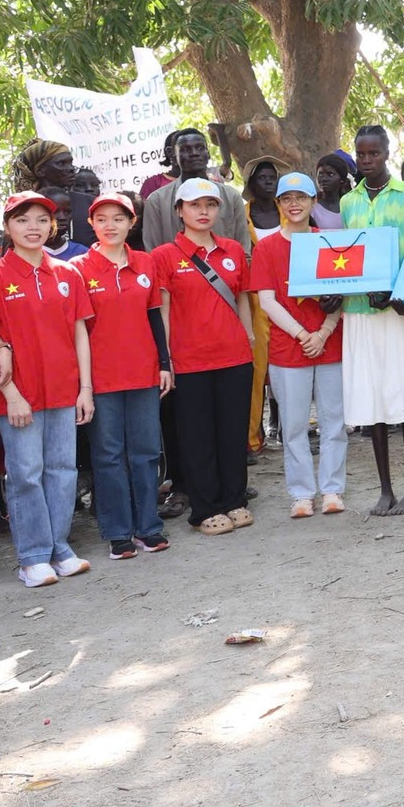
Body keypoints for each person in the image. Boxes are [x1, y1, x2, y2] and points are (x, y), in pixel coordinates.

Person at [0, 193, 94, 588]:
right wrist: (10, 393)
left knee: (63, 471)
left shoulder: (67, 274)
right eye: (23, 219)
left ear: (52, 226)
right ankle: (31, 557)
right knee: (25, 474)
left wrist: (86, 389)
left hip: (64, 390)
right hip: (18, 395)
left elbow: (80, 333)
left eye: (42, 220)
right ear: (7, 227)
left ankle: (59, 547)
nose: (33, 227)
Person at [338, 127, 404, 517]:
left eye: (373, 154)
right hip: (362, 312)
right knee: (374, 396)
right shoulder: (349, 201)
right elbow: (349, 256)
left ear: (387, 153)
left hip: (401, 311)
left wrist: (401, 292)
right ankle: (385, 489)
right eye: (361, 155)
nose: (366, 161)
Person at [151, 180, 256, 537]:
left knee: (232, 432)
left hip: (235, 356)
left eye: (210, 204)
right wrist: (165, 359)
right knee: (197, 436)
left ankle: (234, 499)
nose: (203, 212)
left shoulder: (232, 250)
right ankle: (205, 508)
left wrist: (249, 339)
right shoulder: (164, 256)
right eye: (195, 205)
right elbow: (162, 310)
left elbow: (241, 299)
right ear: (179, 211)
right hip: (189, 360)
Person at [77, 193, 172, 559]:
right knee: (108, 455)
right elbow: (79, 330)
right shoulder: (80, 268)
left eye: (119, 218)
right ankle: (118, 532)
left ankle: (149, 527)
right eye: (102, 219)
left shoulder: (146, 263)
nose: (111, 225)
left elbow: (154, 317)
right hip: (101, 378)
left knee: (146, 453)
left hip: (144, 372)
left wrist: (165, 363)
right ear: (92, 224)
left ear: (132, 223)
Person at [248, 173, 345, 520]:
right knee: (293, 426)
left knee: (334, 422)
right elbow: (267, 300)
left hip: (330, 344)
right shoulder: (267, 247)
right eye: (286, 198)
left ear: (313, 202)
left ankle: (332, 489)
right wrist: (304, 335)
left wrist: (324, 331)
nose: (294, 204)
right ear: (278, 204)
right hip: (289, 350)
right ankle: (302, 494)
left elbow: (343, 292)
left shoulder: (330, 242)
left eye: (301, 197)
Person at [241, 155, 285, 456]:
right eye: (262, 178)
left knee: (289, 363)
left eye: (272, 177)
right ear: (251, 184)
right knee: (257, 368)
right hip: (255, 298)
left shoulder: (291, 211)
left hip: (290, 296)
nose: (268, 182)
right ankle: (252, 437)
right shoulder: (241, 215)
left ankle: (292, 430)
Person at [141, 129, 250, 249]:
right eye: (185, 149)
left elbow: (244, 250)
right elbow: (152, 252)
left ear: (208, 153)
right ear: (174, 155)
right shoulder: (157, 201)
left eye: (200, 148)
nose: (194, 153)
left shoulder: (231, 197)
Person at [312, 153, 353, 229]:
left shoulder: (352, 206)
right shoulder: (312, 209)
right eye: (320, 174)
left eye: (330, 174)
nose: (324, 179)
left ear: (342, 179)